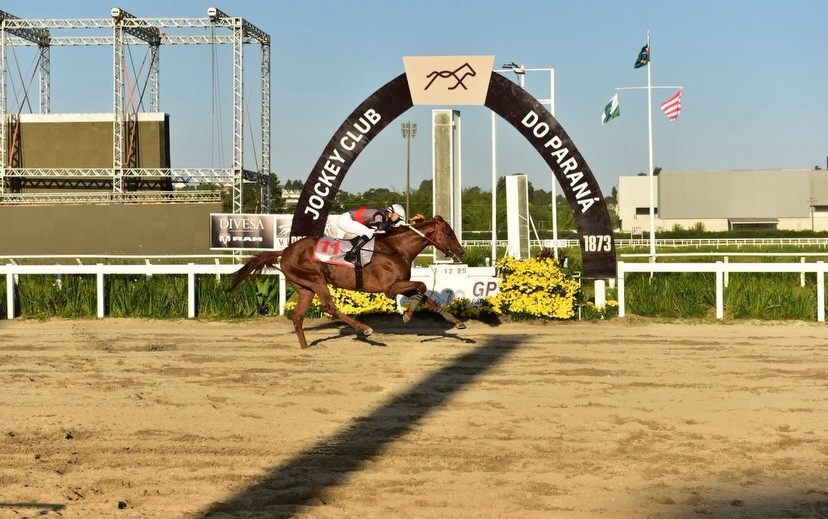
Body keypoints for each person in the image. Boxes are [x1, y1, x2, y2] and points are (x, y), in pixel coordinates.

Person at [337, 203, 406, 263]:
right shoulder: (379, 214)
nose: (396, 221)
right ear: (392, 213)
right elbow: (380, 227)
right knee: (368, 233)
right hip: (345, 220)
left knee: (370, 232)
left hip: (349, 219)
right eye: (397, 219)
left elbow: (380, 230)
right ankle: (351, 254)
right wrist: (392, 219)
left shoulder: (382, 214)